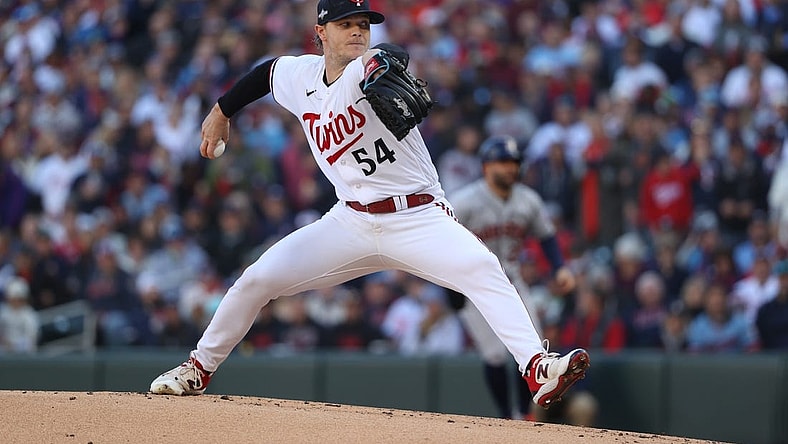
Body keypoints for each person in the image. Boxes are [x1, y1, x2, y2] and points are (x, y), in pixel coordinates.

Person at [149, 0, 590, 410]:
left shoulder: (366, 66)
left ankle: (537, 367)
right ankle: (198, 368)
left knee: (483, 267)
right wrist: (221, 111)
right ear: (321, 31)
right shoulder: (300, 76)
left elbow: (391, 54)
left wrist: (384, 61)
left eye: (363, 24)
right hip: (350, 222)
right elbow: (266, 74)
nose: (358, 32)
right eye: (346, 24)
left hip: (417, 216)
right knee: (256, 279)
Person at [449, 135, 579, 418]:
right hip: (473, 285)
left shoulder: (528, 200)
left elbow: (547, 237)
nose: (511, 168)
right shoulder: (464, 201)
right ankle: (506, 416)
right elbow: (442, 243)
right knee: (495, 354)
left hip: (512, 281)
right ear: (486, 166)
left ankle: (524, 414)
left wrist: (559, 267)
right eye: (503, 162)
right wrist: (449, 287)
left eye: (514, 162)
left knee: (532, 348)